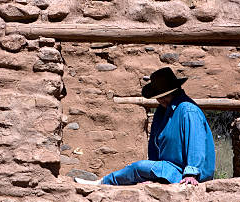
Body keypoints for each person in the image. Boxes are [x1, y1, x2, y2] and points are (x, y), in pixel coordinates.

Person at [75, 67, 215, 186]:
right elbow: (155, 146)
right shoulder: (162, 112)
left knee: (138, 167)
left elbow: (196, 144)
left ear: (175, 91)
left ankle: (103, 183)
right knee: (142, 169)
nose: (161, 100)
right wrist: (152, 177)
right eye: (158, 97)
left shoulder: (187, 110)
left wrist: (191, 173)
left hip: (186, 173)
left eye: (165, 96)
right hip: (169, 170)